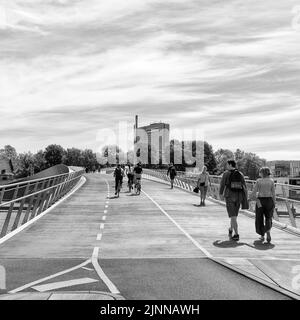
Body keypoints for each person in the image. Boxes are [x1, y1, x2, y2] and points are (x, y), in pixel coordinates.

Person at [219, 160, 247, 241]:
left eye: (227, 164)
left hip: (229, 196)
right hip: (238, 196)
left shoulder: (226, 173)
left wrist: (220, 194)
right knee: (234, 215)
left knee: (233, 216)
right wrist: (244, 198)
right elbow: (244, 186)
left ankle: (237, 234)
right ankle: (231, 229)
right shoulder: (240, 173)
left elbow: (222, 185)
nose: (226, 166)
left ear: (230, 165)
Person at [249, 167, 275, 243]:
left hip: (260, 201)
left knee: (259, 218)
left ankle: (262, 235)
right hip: (269, 200)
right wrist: (274, 202)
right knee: (268, 218)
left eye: (260, 172)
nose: (259, 174)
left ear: (263, 173)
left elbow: (254, 192)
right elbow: (273, 193)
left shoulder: (258, 181)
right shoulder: (271, 181)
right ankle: (268, 233)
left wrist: (249, 198)